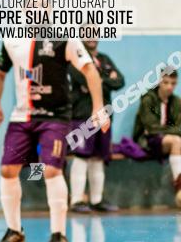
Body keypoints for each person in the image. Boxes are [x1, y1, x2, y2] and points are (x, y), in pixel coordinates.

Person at [0, 0, 108, 242]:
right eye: (31, 6)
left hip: (55, 117)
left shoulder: (65, 37)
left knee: (51, 169)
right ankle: (14, 230)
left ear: (49, 9)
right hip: (21, 117)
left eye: (42, 6)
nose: (36, 11)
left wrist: (98, 108)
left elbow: (90, 71)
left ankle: (58, 234)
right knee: (7, 170)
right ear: (24, 9)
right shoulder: (12, 39)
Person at [68, 40, 125, 213]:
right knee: (81, 156)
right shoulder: (76, 58)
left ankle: (96, 199)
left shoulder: (104, 58)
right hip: (83, 116)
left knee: (98, 157)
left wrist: (97, 80)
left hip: (104, 116)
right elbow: (83, 78)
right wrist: (107, 78)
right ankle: (77, 200)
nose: (92, 37)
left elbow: (120, 81)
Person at [133, 68, 181, 207]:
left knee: (176, 140)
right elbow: (151, 127)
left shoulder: (176, 102)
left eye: (173, 83)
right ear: (159, 81)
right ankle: (179, 188)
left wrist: (167, 131)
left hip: (166, 140)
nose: (169, 87)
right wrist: (171, 131)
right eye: (166, 82)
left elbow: (179, 128)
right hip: (147, 141)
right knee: (176, 141)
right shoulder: (148, 99)